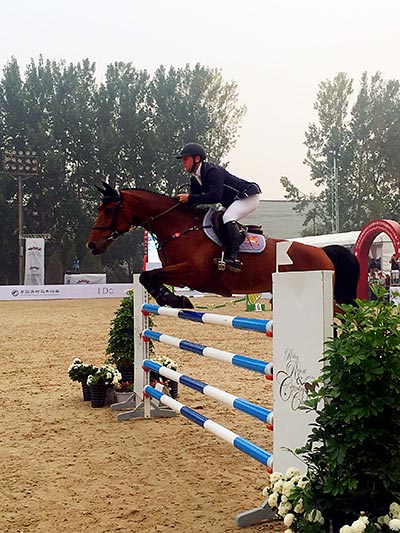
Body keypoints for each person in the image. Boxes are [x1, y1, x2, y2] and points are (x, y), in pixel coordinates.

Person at [176, 142, 261, 272]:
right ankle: (224, 252)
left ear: (197, 159)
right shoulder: (195, 179)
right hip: (232, 202)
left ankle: (234, 257)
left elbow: (214, 196)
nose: (183, 162)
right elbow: (194, 201)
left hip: (248, 197)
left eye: (185, 159)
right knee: (216, 218)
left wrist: (189, 198)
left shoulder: (212, 171)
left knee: (227, 217)